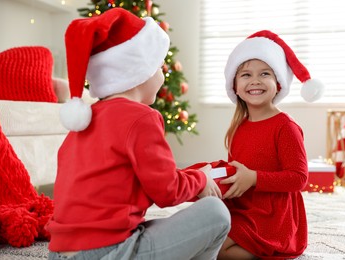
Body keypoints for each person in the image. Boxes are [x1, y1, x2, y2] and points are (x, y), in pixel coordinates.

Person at [46, 8, 230, 260]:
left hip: (59, 254)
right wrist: (200, 180)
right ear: (139, 72)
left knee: (149, 227)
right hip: (107, 252)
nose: (163, 77)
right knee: (215, 212)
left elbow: (143, 181)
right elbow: (167, 192)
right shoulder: (142, 117)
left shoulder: (85, 122)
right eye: (159, 68)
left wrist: (192, 176)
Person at [217, 30, 324, 259]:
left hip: (273, 215)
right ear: (235, 86)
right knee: (208, 235)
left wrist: (254, 178)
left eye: (264, 73)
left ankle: (266, 251)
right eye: (246, 74)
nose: (255, 80)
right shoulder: (238, 127)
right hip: (244, 207)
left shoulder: (285, 126)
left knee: (219, 251)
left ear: (278, 83)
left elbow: (299, 178)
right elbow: (237, 173)